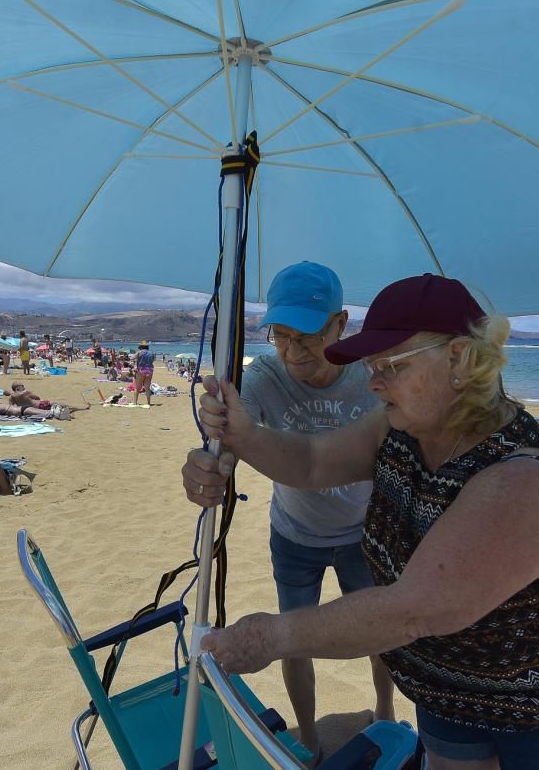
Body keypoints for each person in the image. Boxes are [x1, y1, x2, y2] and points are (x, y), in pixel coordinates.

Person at [182, 273, 539, 769]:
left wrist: (269, 637)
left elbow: (412, 610)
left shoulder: (520, 481)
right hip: (447, 690)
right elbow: (312, 461)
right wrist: (243, 437)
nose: (373, 381)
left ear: (459, 358)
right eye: (372, 366)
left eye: (390, 366)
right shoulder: (400, 427)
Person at [178, 261, 396, 758]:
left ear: (341, 324)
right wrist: (209, 465)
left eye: (309, 336)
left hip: (365, 530)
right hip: (295, 533)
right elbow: (234, 439)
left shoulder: (371, 377)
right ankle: (311, 737)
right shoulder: (262, 379)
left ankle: (384, 711)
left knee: (380, 630)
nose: (294, 352)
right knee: (293, 638)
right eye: (281, 335)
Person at [132, 340, 155, 405]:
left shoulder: (139, 352)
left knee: (137, 387)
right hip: (149, 370)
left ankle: (135, 402)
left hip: (141, 370)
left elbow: (132, 358)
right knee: (147, 388)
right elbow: (152, 360)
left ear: (141, 346)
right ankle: (148, 402)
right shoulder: (151, 353)